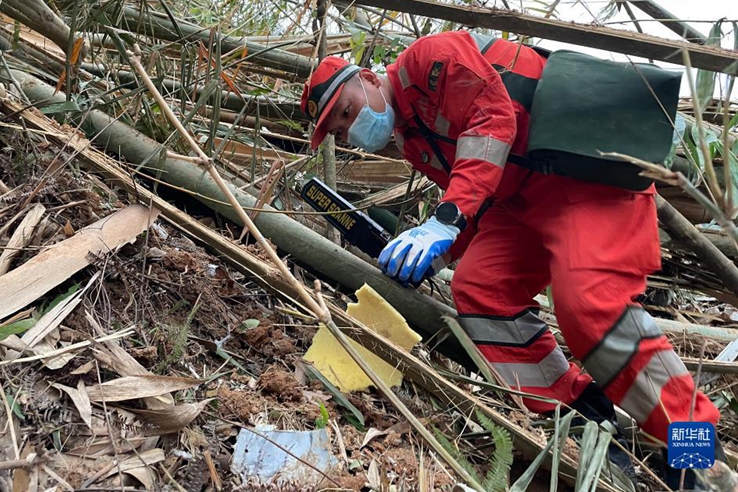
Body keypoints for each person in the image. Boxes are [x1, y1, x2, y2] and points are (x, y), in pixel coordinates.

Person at [300, 30, 726, 489]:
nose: (352, 127)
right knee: (480, 288)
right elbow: (476, 193)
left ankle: (697, 451)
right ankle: (577, 414)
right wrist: (440, 252)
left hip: (583, 177)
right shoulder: (411, 139)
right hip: (523, 202)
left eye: (347, 110)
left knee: (589, 305)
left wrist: (444, 220)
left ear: (366, 78)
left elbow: (493, 119)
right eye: (342, 130)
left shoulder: (427, 61)